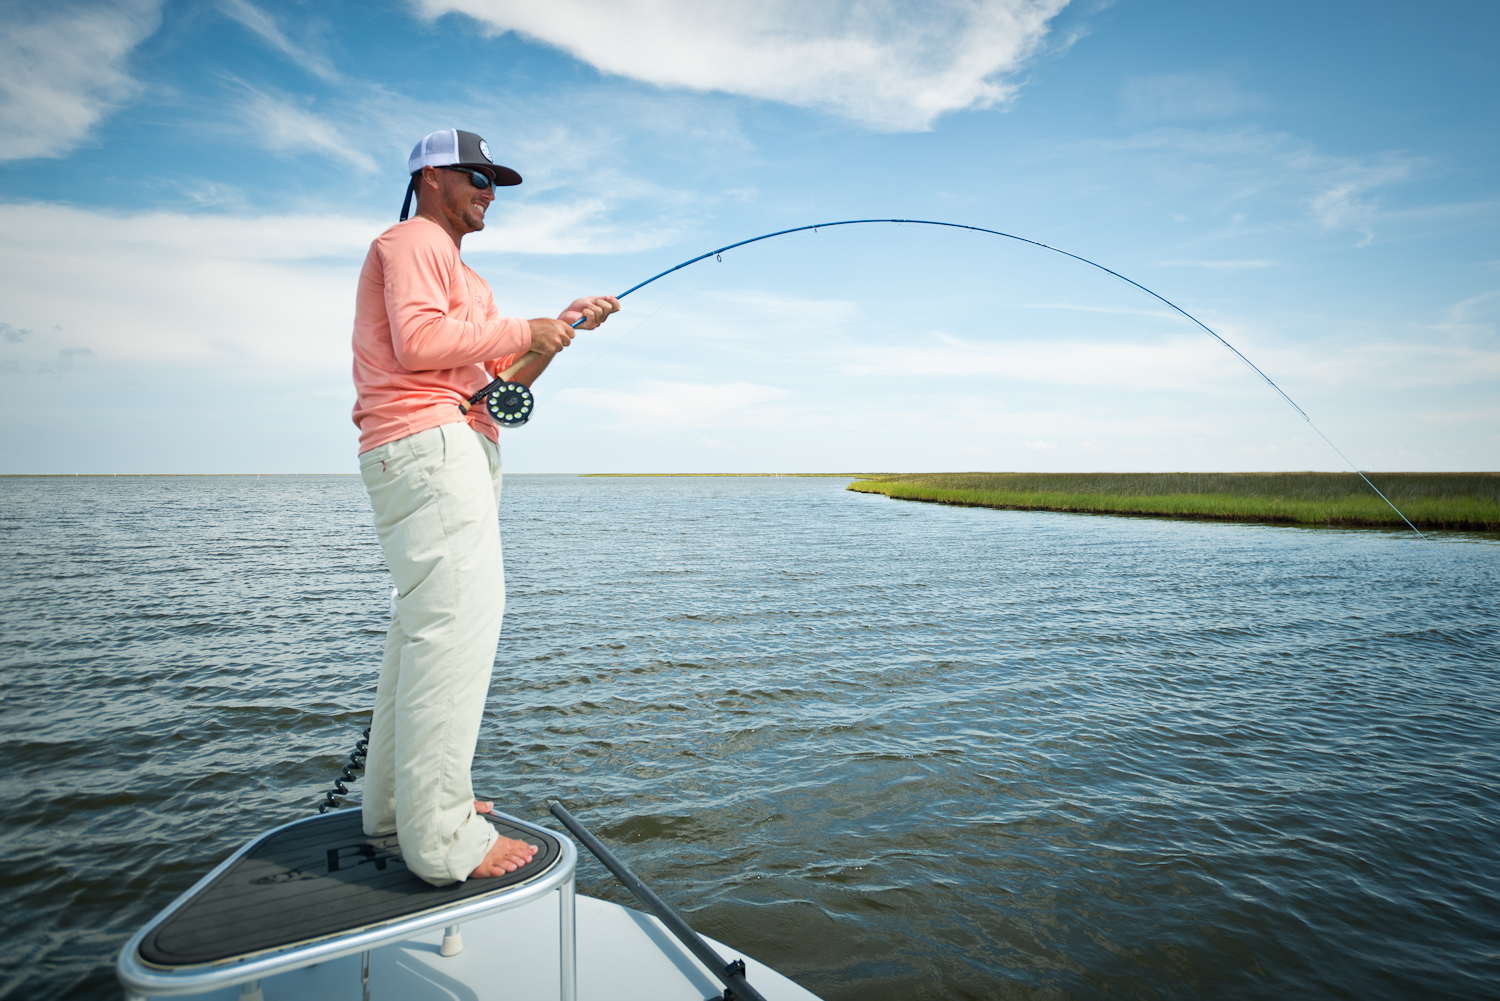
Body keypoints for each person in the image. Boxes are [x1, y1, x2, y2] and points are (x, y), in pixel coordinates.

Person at [350, 129, 619, 885]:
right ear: (431, 176)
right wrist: (523, 328)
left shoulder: (467, 280)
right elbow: (418, 341)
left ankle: (398, 812)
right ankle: (441, 840)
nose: (488, 192)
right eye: (477, 177)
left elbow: (505, 378)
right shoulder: (410, 240)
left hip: (454, 445)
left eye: (495, 181)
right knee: (456, 633)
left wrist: (557, 333)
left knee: (423, 632)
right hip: (430, 445)